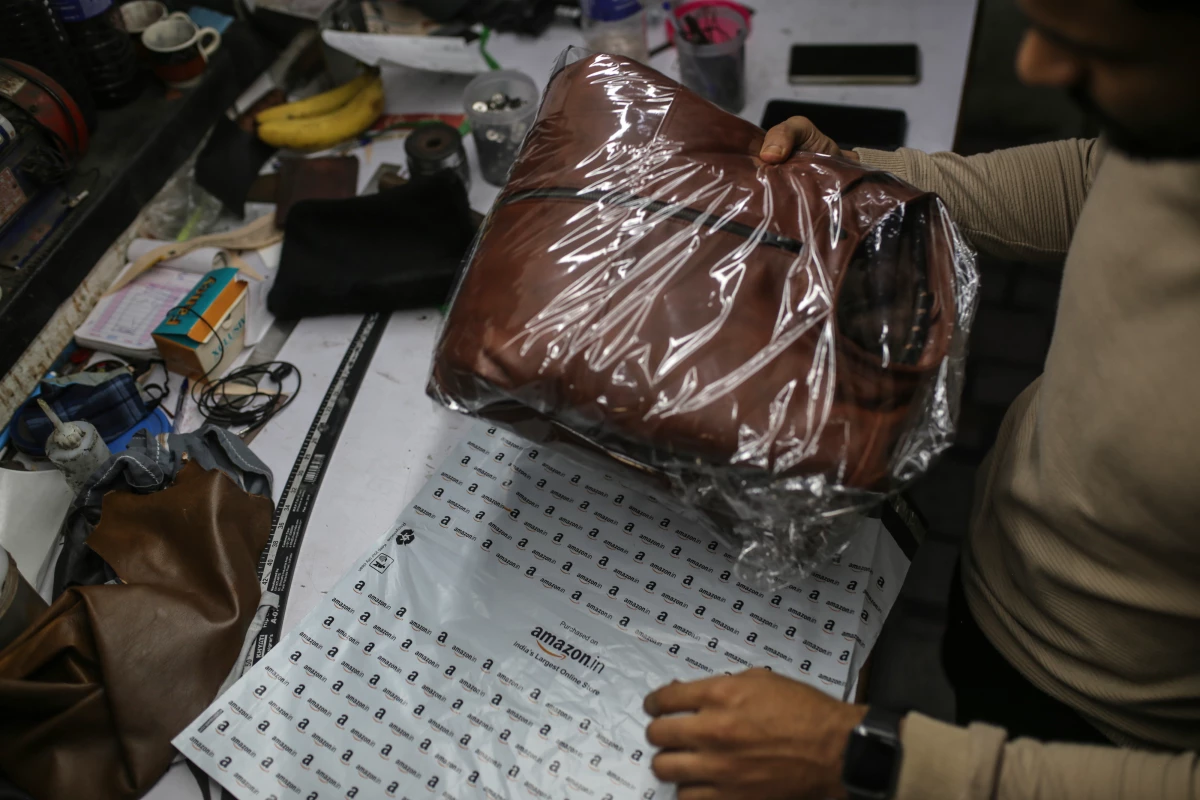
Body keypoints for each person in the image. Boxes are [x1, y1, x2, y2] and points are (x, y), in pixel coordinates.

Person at [641, 0, 1200, 797]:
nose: (1034, 66)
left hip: (1113, 723)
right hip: (1000, 579)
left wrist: (876, 758)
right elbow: (1101, 173)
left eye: (1090, 46)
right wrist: (854, 180)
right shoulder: (1176, 122)